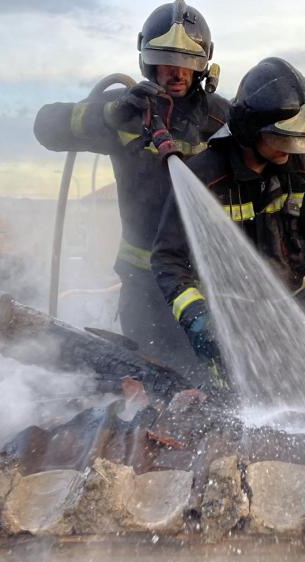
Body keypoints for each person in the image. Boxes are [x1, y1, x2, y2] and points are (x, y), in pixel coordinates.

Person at [33, 1, 229, 381]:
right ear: (146, 61)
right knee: (147, 385)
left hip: (208, 287)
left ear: (203, 64)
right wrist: (107, 115)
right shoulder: (125, 110)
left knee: (211, 387)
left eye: (186, 62)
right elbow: (46, 126)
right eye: (163, 60)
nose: (174, 72)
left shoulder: (221, 119)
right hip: (144, 289)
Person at [150, 57, 305, 370]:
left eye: (296, 138)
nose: (290, 148)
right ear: (249, 129)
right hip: (229, 317)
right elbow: (168, 258)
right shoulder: (204, 178)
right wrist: (197, 317)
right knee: (237, 408)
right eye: (280, 137)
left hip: (292, 304)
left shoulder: (304, 173)